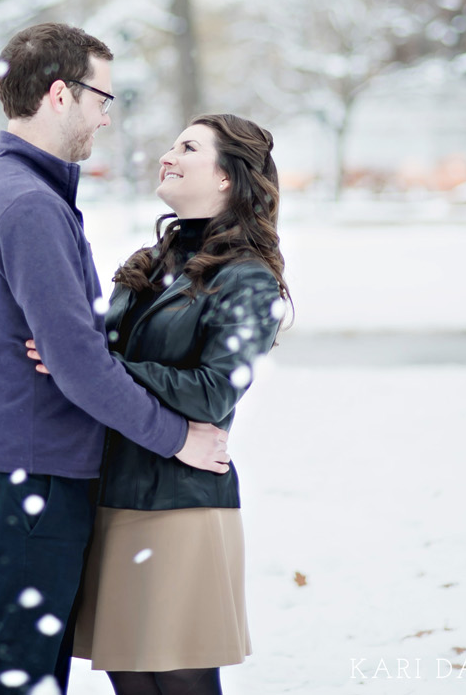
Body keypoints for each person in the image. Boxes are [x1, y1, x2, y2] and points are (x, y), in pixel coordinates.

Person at [0, 24, 230, 695]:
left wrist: (86, 343)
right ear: (58, 94)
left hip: (21, 472)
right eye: (102, 96)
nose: (106, 114)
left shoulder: (9, 186)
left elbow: (72, 350)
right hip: (32, 480)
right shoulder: (27, 204)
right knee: (15, 683)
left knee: (27, 678)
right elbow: (76, 368)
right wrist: (179, 437)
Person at [28, 112, 291, 695]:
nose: (167, 155)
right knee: (131, 677)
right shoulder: (151, 263)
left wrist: (99, 367)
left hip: (183, 505)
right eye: (171, 144)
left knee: (180, 678)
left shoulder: (247, 278)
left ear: (227, 177)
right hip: (114, 497)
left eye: (188, 147)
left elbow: (214, 390)